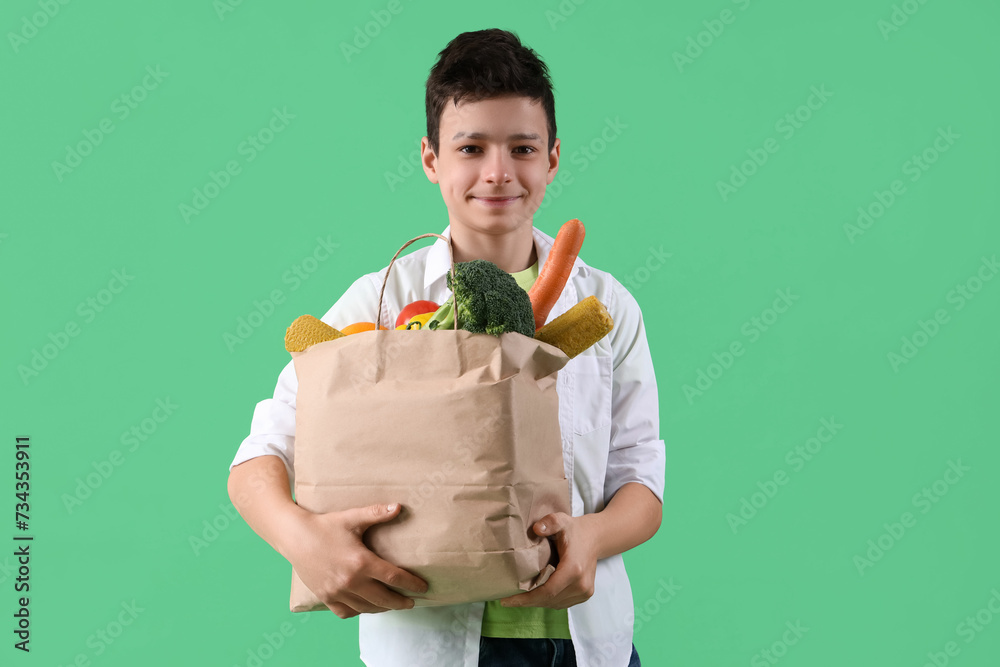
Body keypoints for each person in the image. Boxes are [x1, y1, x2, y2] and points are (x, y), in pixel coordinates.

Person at [227, 28, 664, 667]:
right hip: (430, 644)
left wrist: (591, 537)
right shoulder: (378, 302)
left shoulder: (607, 306)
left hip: (586, 641)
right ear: (432, 160)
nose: (498, 172)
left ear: (553, 159)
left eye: (522, 148)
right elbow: (258, 456)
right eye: (470, 147)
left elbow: (641, 480)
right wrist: (307, 543)